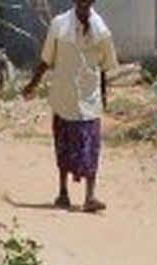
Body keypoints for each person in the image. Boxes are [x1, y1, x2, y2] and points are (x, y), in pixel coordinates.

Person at [21, 0, 118, 213]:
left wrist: (103, 95)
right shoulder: (59, 25)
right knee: (63, 147)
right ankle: (63, 192)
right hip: (63, 97)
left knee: (90, 149)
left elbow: (104, 67)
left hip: (88, 100)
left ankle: (90, 196)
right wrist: (32, 84)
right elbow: (46, 59)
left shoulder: (101, 30)